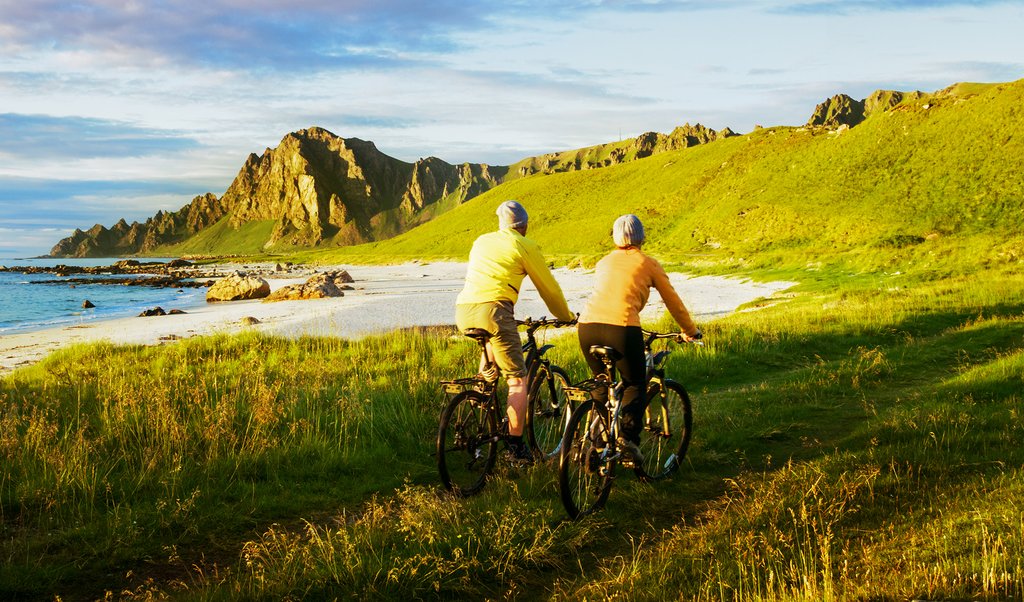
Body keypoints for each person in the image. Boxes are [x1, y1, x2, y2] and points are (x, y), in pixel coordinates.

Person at [455, 200, 575, 465]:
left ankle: (479, 409)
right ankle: (515, 447)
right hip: (496, 310)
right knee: (517, 380)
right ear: (525, 225)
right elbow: (549, 288)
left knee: (490, 357)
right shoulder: (524, 244)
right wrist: (565, 317)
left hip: (464, 309)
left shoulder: (481, 241)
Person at [577, 214, 701, 463]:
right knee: (634, 384)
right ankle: (627, 441)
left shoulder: (604, 262)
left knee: (601, 384)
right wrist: (690, 330)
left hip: (587, 327)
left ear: (614, 237)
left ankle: (597, 441)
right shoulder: (648, 263)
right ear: (641, 237)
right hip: (622, 327)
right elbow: (673, 302)